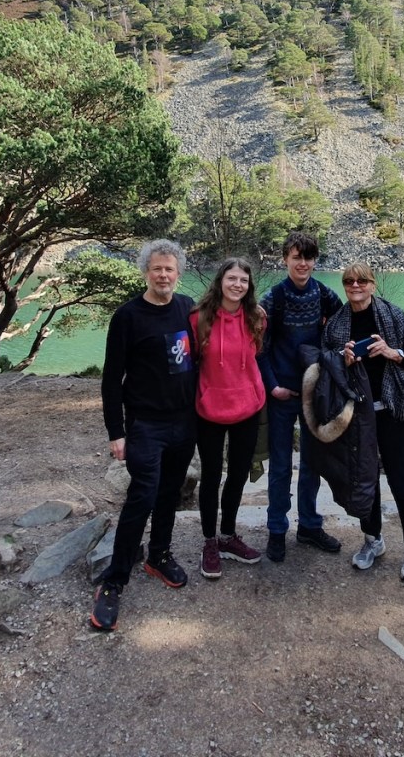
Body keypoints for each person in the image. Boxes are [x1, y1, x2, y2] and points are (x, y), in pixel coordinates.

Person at [90, 240, 198, 632]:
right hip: (145, 425)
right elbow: (111, 381)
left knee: (170, 493)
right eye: (157, 269)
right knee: (143, 496)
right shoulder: (128, 316)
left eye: (169, 269)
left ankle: (159, 555)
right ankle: (114, 581)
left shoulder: (188, 308)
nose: (163, 275)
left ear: (178, 272)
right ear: (145, 271)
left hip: (184, 422)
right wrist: (115, 432)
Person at [323, 261, 404, 582]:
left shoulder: (394, 316)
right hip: (359, 413)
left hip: (396, 410)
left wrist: (391, 351)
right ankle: (373, 540)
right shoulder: (336, 325)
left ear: (372, 285)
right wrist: (341, 360)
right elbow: (327, 364)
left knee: (400, 480)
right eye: (348, 282)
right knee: (365, 479)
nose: (355, 286)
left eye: (361, 281)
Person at [258, 230, 343, 562]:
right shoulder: (273, 298)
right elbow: (258, 349)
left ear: (314, 260)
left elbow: (341, 327)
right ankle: (277, 529)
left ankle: (309, 525)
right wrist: (272, 385)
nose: (303, 263)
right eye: (297, 257)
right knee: (280, 466)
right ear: (285, 260)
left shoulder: (324, 294)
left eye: (308, 257)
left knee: (312, 464)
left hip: (315, 394)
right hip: (282, 394)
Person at [190, 258, 267, 578]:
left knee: (237, 475)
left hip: (247, 409)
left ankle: (228, 536)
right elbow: (190, 362)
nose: (238, 285)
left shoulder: (257, 318)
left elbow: (256, 356)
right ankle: (209, 541)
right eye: (232, 278)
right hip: (208, 410)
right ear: (220, 280)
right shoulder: (198, 319)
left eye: (244, 281)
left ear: (249, 287)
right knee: (210, 476)